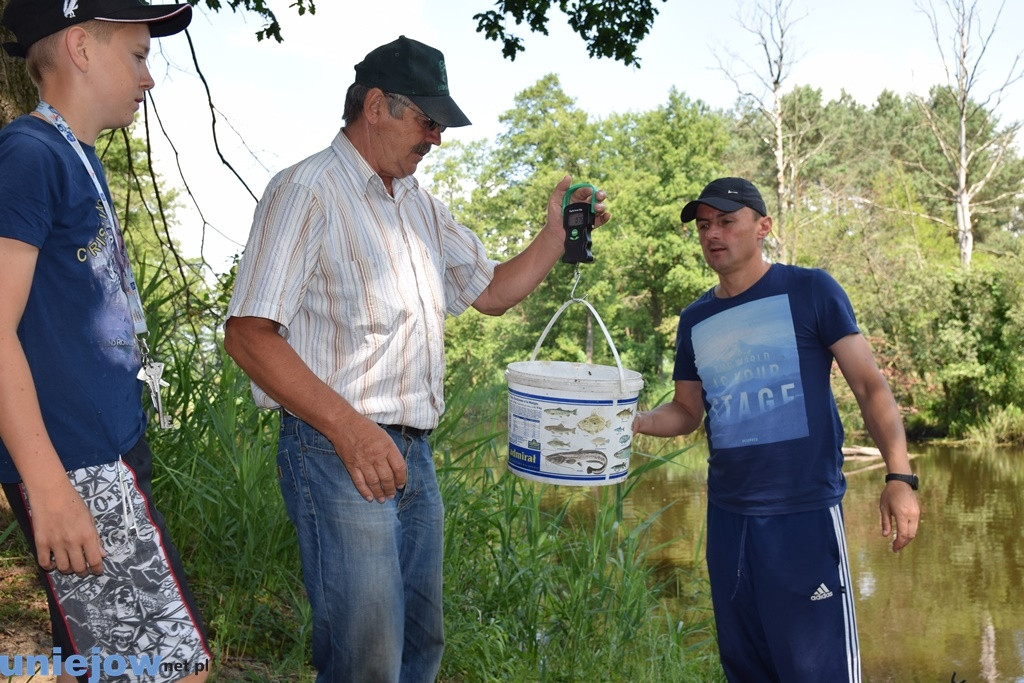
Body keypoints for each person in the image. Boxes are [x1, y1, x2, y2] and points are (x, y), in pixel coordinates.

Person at [223, 35, 609, 683]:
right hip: (337, 448)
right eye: (428, 121)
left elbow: (490, 291)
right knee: (367, 659)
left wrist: (553, 231)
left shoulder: (423, 209)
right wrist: (351, 431)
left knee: (418, 648)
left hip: (414, 454)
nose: (437, 138)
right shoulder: (307, 190)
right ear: (377, 106)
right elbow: (249, 335)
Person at [633, 177, 920, 682]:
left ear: (762, 227)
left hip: (803, 515)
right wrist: (629, 422)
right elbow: (685, 412)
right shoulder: (696, 319)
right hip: (729, 520)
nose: (712, 234)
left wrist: (900, 476)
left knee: (819, 672)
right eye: (703, 226)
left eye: (726, 221)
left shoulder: (811, 290)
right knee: (747, 667)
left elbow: (870, 388)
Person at [0, 1, 211, 681]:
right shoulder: (30, 153)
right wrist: (48, 486)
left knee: (111, 664)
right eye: (140, 55)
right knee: (171, 669)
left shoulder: (75, 155)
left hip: (107, 455)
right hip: (76, 468)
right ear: (82, 48)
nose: (149, 77)